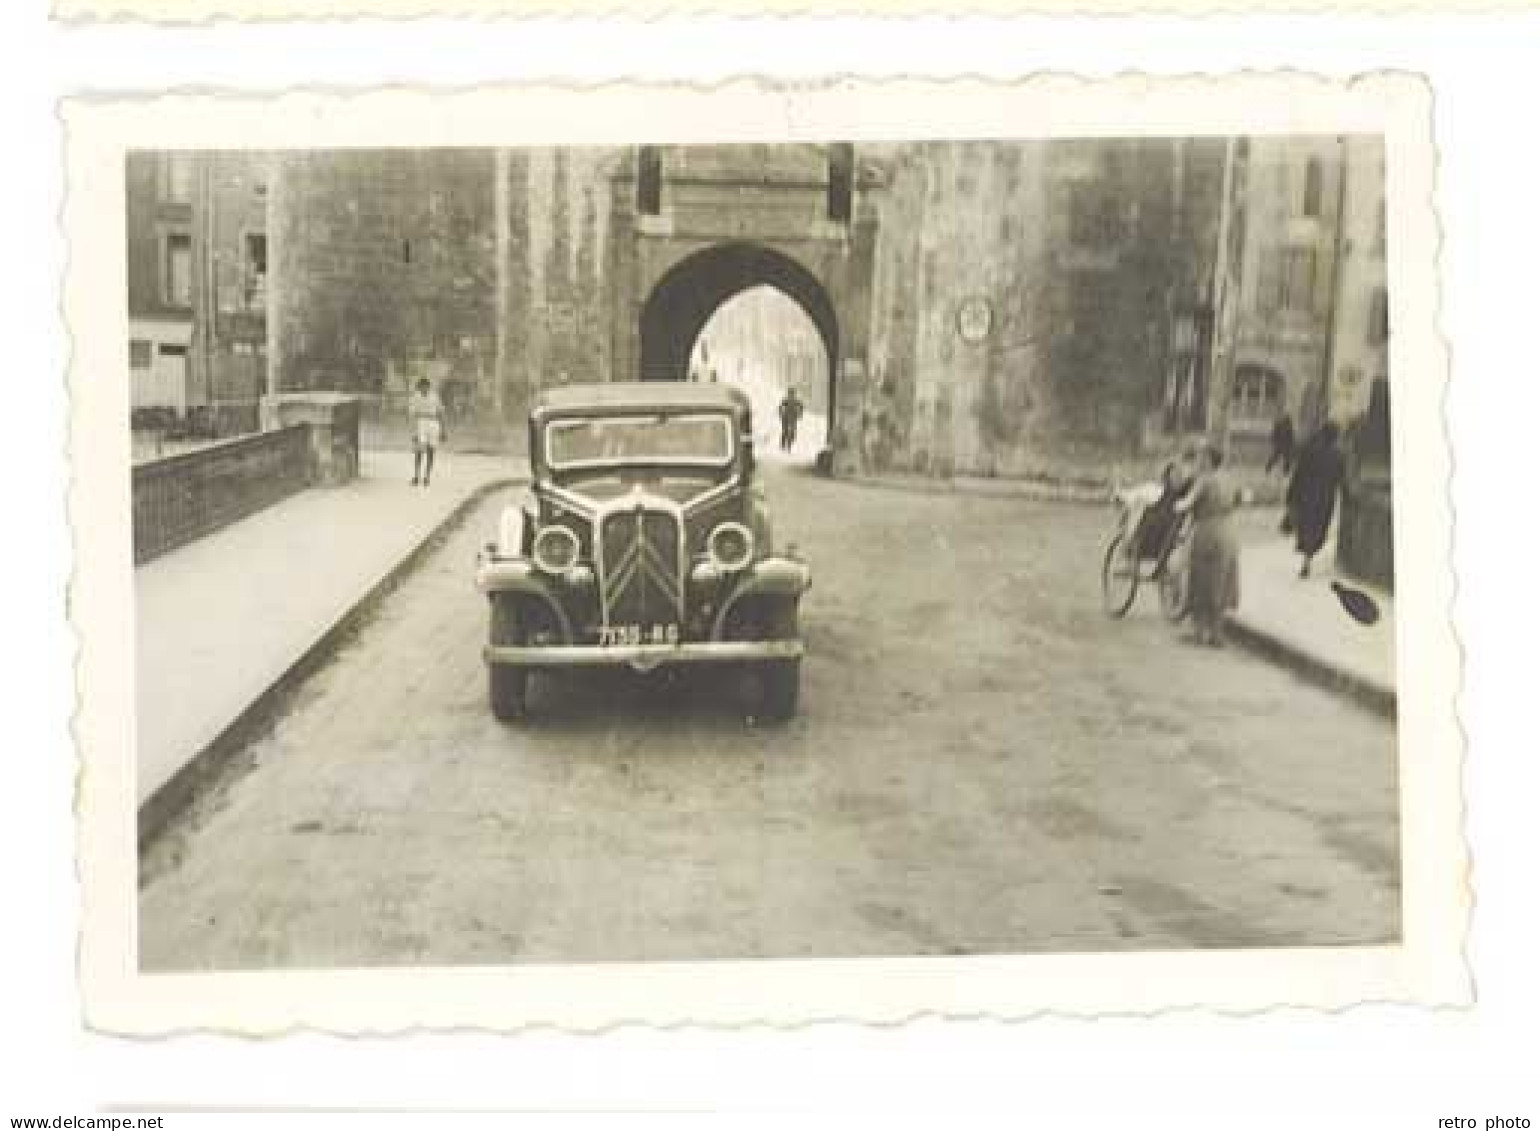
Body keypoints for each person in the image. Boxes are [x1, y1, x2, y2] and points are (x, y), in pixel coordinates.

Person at [1175, 442, 1240, 647]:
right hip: (1229, 532)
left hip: (1207, 532)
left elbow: (1186, 503)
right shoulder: (1230, 478)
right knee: (1222, 581)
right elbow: (1240, 500)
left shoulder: (1205, 481)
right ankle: (1217, 633)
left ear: (1209, 460)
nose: (1200, 461)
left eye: (1203, 458)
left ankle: (1200, 633)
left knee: (1202, 580)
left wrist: (1176, 506)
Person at [1285, 421, 1347, 579]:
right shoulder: (1339, 455)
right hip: (1325, 498)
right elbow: (1342, 479)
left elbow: (1299, 473)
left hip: (1307, 494)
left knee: (1306, 526)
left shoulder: (1310, 450)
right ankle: (1309, 556)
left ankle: (1306, 556)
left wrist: (1291, 495)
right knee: (1319, 528)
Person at [408, 377, 445, 486]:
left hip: (433, 423)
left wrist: (443, 429)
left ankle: (427, 477)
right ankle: (416, 475)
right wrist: (413, 431)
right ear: (419, 387)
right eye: (421, 387)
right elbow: (412, 415)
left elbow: (440, 412)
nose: (424, 389)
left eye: (426, 387)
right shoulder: (415, 397)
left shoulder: (434, 397)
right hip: (421, 422)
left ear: (429, 387)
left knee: (431, 450)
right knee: (419, 450)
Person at [1266, 411, 1296, 476]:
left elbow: (1291, 437)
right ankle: (1268, 469)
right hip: (1281, 445)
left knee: (1286, 459)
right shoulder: (1279, 425)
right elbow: (1274, 435)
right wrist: (1274, 442)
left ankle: (1285, 471)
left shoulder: (1288, 426)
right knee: (1276, 458)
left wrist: (1291, 444)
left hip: (1285, 445)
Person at [778, 388, 805, 453]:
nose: (791, 396)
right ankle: (783, 444)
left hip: (793, 418)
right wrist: (781, 413)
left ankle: (788, 444)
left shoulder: (796, 401)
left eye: (792, 394)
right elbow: (780, 407)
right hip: (786, 418)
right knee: (785, 431)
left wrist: (800, 413)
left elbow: (801, 406)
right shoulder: (785, 400)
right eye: (790, 394)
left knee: (792, 432)